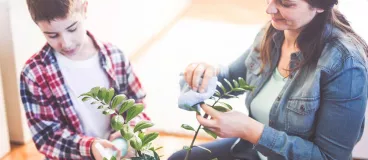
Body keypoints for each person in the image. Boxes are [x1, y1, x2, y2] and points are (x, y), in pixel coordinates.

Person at [169, 0, 368, 159]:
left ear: (320, 6)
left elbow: (330, 157)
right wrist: (205, 75)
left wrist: (250, 129)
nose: (270, 9)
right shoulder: (274, 32)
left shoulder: (346, 64)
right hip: (253, 151)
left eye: (286, 3)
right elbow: (233, 78)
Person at [20, 0, 149, 159]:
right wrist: (90, 147)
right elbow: (47, 137)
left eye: (72, 28)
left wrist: (130, 129)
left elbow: (137, 105)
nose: (66, 43)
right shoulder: (34, 73)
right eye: (52, 35)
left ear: (84, 9)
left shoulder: (115, 56)